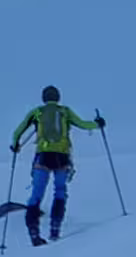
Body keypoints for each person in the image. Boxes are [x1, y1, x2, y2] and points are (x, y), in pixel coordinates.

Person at [9, 88, 105, 242]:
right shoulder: (65, 112)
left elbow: (17, 133)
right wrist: (97, 124)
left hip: (43, 157)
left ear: (44, 98)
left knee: (37, 194)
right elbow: (83, 124)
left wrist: (15, 145)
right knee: (60, 191)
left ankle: (33, 231)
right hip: (62, 157)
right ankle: (55, 229)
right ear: (58, 98)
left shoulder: (37, 112)